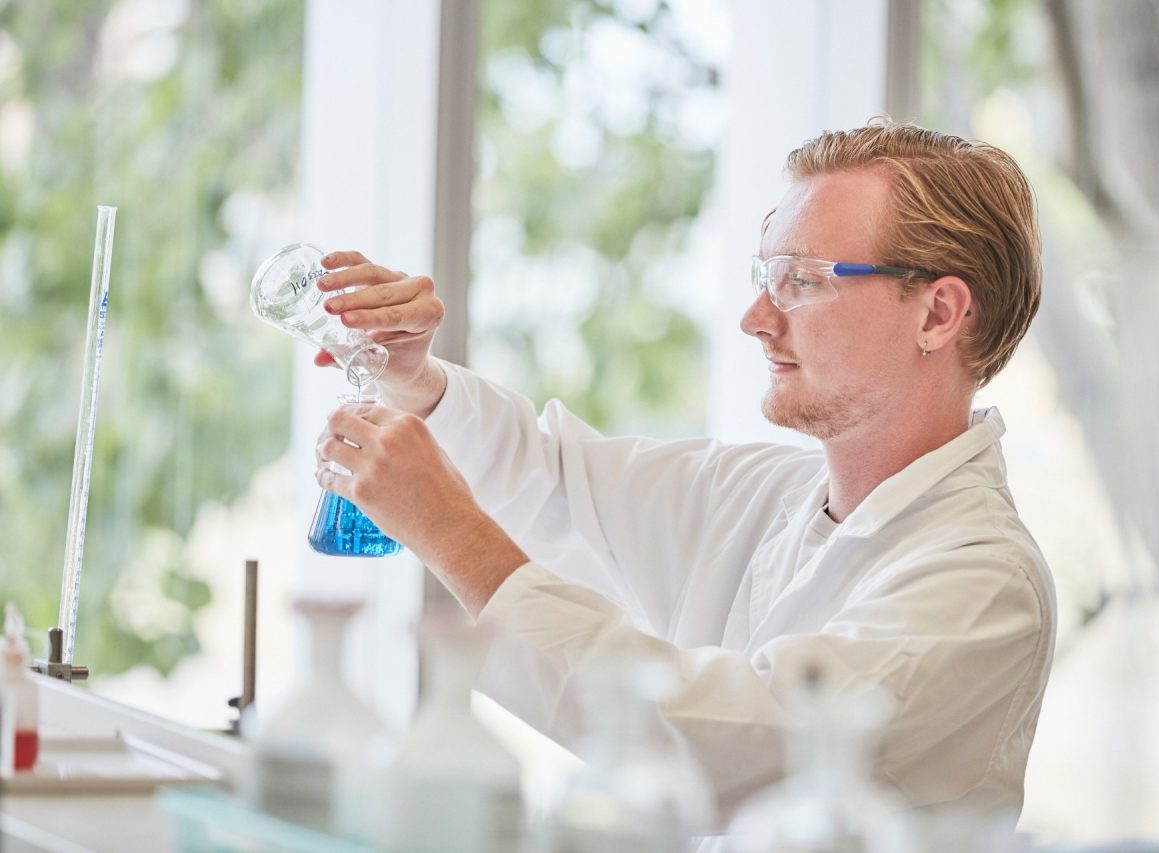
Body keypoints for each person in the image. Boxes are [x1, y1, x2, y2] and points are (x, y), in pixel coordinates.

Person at [311, 119, 1055, 827]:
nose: (757, 317)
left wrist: (448, 528)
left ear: (938, 314)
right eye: (766, 275)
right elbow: (556, 486)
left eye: (801, 279)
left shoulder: (983, 581)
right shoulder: (767, 493)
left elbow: (728, 748)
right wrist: (413, 379)